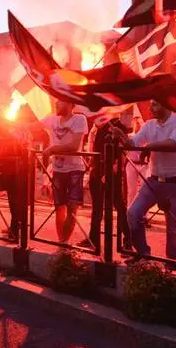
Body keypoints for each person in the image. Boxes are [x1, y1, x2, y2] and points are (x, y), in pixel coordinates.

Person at [113, 99, 176, 268]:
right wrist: (123, 138)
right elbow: (135, 144)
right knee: (133, 213)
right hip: (153, 180)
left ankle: (172, 264)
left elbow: (174, 143)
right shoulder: (149, 125)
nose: (150, 108)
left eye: (155, 104)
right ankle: (143, 254)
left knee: (174, 226)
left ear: (166, 104)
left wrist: (150, 147)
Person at [82, 109, 132, 251]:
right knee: (97, 207)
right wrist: (92, 166)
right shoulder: (98, 126)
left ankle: (128, 240)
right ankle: (93, 239)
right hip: (97, 169)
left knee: (118, 205)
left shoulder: (117, 126)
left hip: (110, 171)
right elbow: (94, 147)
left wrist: (113, 167)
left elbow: (122, 149)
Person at [42, 101, 89, 243]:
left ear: (69, 103)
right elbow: (29, 125)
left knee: (72, 209)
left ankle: (64, 244)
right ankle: (62, 244)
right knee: (59, 208)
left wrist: (52, 149)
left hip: (75, 169)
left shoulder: (79, 119)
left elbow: (75, 146)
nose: (55, 104)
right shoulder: (52, 119)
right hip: (58, 169)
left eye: (59, 101)